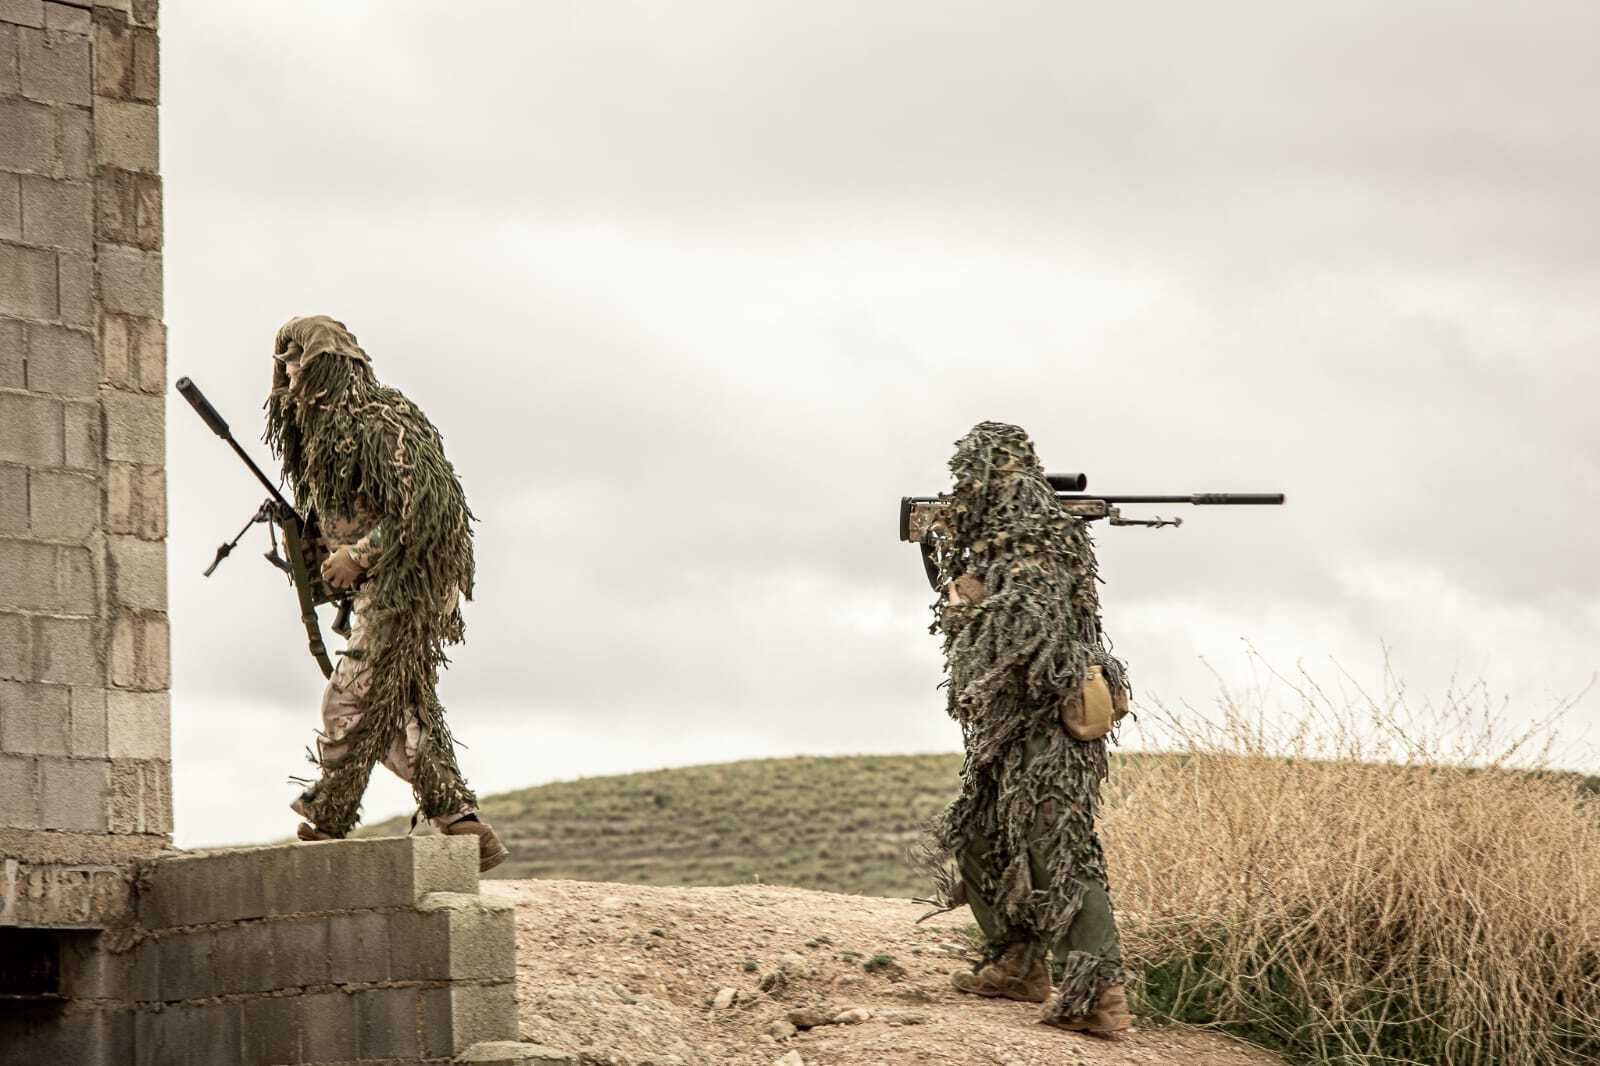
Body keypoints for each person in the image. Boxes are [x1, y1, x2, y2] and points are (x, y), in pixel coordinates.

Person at [266, 315, 507, 873]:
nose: (290, 373)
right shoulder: (321, 442)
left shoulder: (382, 421)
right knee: (394, 703)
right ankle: (463, 827)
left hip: (412, 583)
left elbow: (428, 512)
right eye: (284, 363)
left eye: (299, 359)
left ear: (330, 361)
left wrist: (359, 556)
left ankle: (329, 815)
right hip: (380, 588)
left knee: (349, 697)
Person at [930, 421, 1132, 1035]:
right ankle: (1017, 965)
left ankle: (1099, 998)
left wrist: (967, 608)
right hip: (1010, 729)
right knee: (978, 836)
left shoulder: (1031, 544)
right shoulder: (1003, 544)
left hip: (1048, 727)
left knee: (1058, 854)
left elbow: (1028, 631)